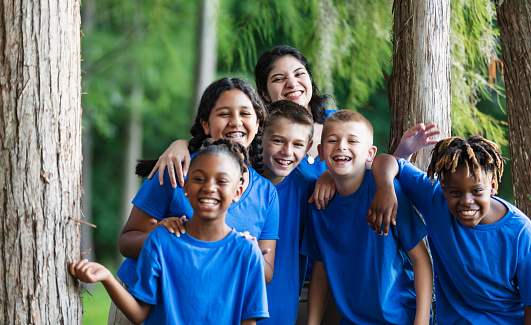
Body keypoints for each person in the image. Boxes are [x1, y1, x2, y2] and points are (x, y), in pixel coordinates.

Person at [109, 77, 279, 324]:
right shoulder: (176, 170)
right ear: (205, 125)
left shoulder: (266, 193)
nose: (235, 122)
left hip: (202, 308)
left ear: (258, 122)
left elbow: (266, 272)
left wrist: (247, 252)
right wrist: (162, 235)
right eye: (224, 114)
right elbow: (126, 242)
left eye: (245, 113)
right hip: (143, 299)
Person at [71, 140, 269, 324]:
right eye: (199, 178)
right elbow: (139, 313)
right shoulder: (160, 240)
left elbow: (248, 321)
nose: (209, 187)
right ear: (186, 188)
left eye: (221, 181)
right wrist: (106, 277)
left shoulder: (247, 252)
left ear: (237, 192)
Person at [370, 135, 531, 324]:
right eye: (455, 192)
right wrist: (385, 187)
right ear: (444, 188)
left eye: (477, 191)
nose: (466, 201)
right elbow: (386, 160)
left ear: (493, 186)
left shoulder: (521, 234)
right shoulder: (435, 199)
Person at [300, 110, 433, 324]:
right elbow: (320, 271)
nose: (341, 146)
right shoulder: (318, 203)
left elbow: (420, 259)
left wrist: (422, 322)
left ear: (370, 153)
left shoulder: (389, 192)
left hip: (400, 317)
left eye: (352, 140)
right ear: (321, 152)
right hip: (352, 319)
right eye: (332, 140)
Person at [258, 100, 316, 324]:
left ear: (308, 148)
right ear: (260, 136)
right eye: (278, 140)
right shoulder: (236, 180)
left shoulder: (310, 188)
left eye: (298, 144)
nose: (287, 152)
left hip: (281, 314)